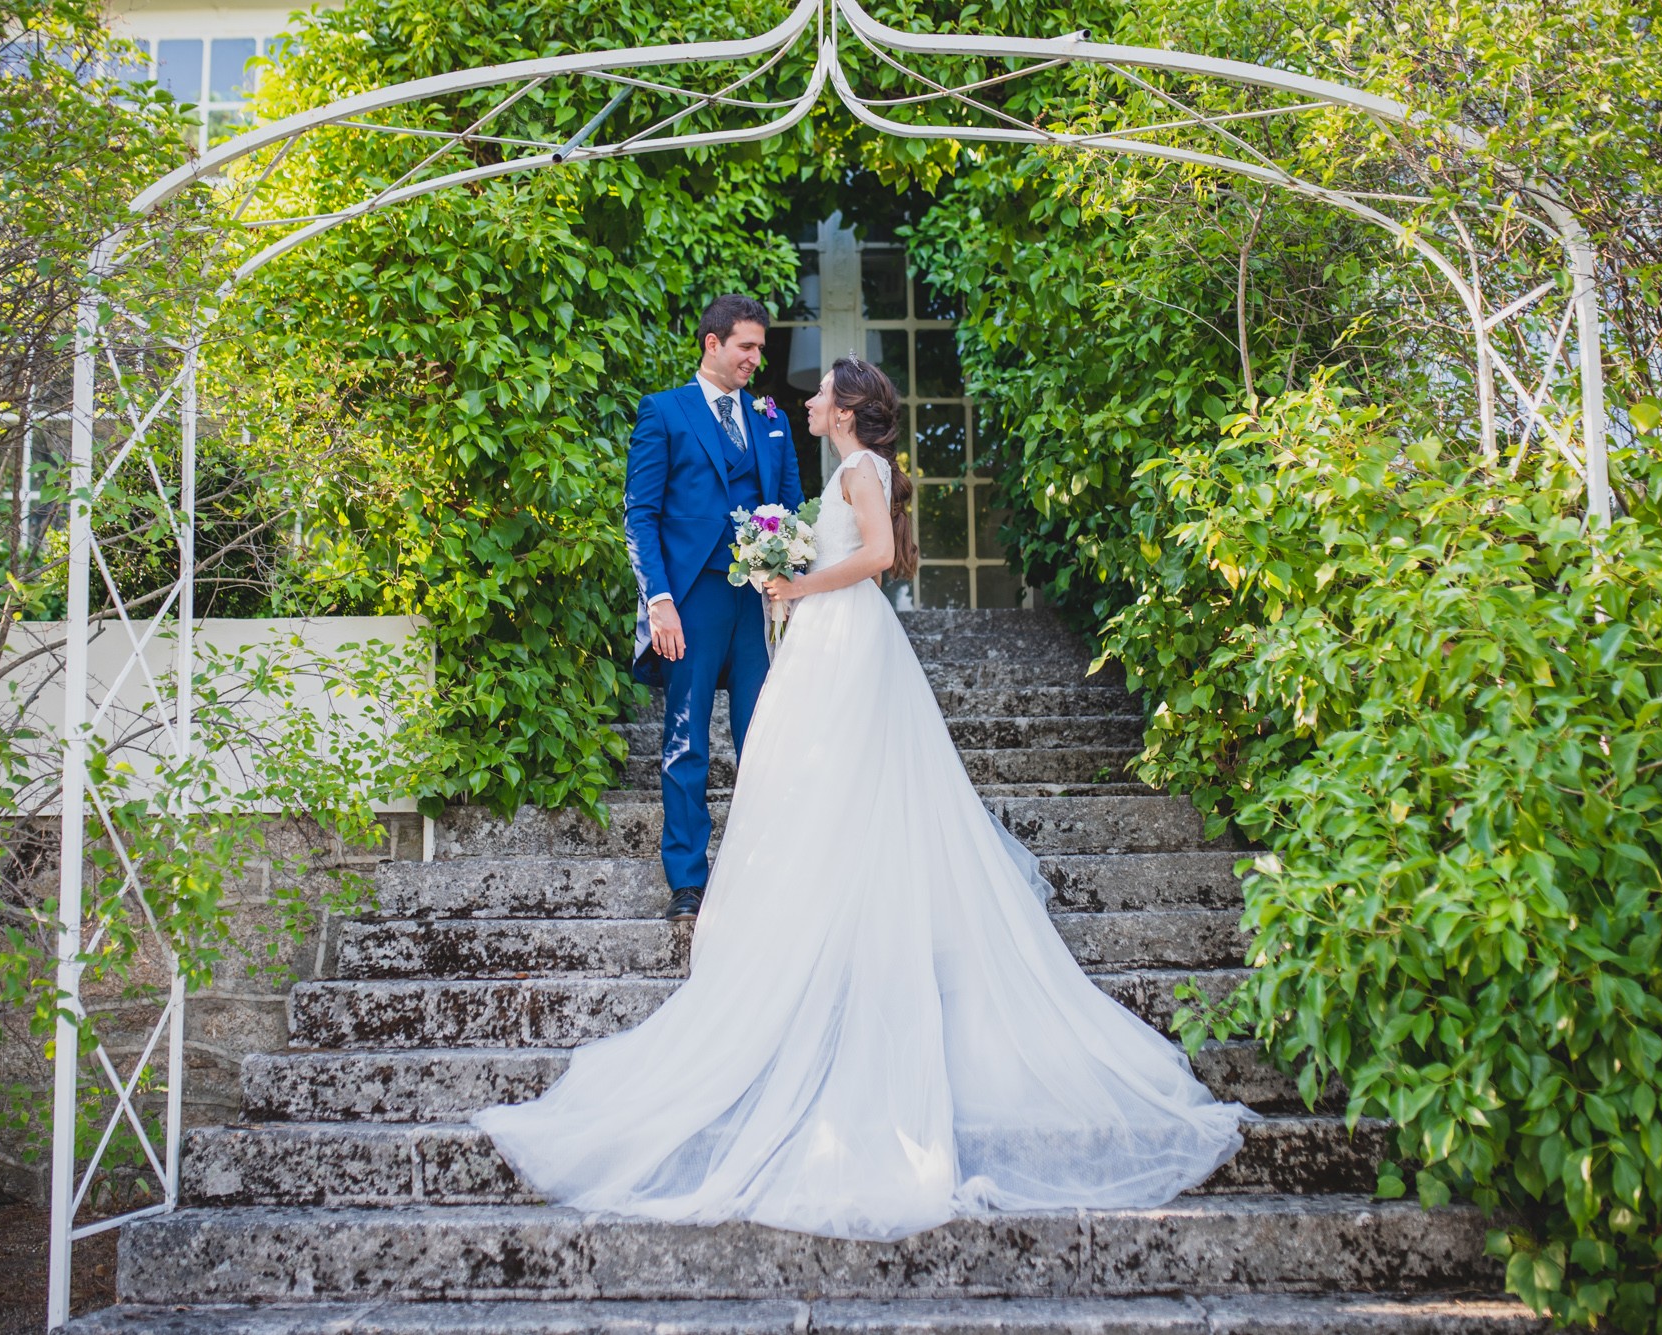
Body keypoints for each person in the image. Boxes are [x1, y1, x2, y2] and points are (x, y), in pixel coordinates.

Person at [472, 356, 1251, 1241]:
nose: (801, 398)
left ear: (844, 410)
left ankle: (831, 950)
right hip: (827, 640)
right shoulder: (845, 467)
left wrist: (795, 584)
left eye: (818, 392)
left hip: (846, 637)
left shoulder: (858, 470)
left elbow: (877, 557)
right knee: (816, 789)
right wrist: (789, 576)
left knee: (835, 784)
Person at [622, 295, 804, 922]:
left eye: (760, 347)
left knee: (765, 738)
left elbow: (790, 507)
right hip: (691, 597)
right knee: (686, 741)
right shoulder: (663, 411)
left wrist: (792, 583)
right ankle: (688, 882)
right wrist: (660, 601)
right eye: (745, 347)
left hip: (757, 604)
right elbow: (640, 516)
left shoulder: (770, 418)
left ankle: (765, 870)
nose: (757, 358)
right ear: (712, 343)